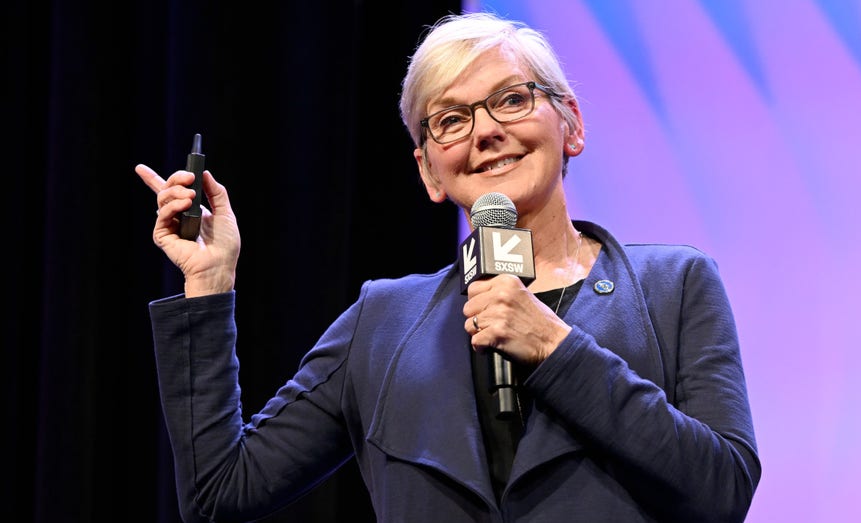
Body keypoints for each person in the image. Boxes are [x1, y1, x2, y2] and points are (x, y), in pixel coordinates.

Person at [136, 11, 761, 522]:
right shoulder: (383, 320)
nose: (484, 132)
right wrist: (209, 285)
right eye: (450, 120)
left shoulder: (674, 287)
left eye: (511, 100)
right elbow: (221, 494)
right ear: (429, 171)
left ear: (570, 124)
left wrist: (556, 349)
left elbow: (721, 491)